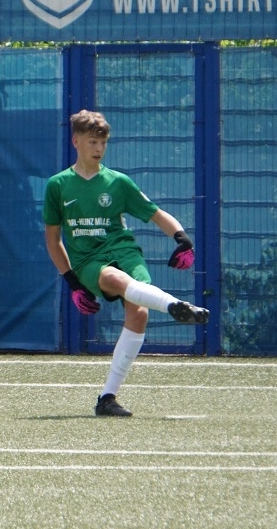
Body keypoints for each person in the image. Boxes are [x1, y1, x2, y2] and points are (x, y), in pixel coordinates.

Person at [43, 109, 210, 417]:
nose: (99, 149)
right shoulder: (58, 185)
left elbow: (156, 214)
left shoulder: (118, 182)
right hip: (88, 260)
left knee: (140, 312)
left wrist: (182, 239)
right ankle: (174, 305)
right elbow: (53, 241)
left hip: (125, 251)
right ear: (76, 141)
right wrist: (72, 282)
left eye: (103, 143)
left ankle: (107, 398)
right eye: (92, 142)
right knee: (114, 280)